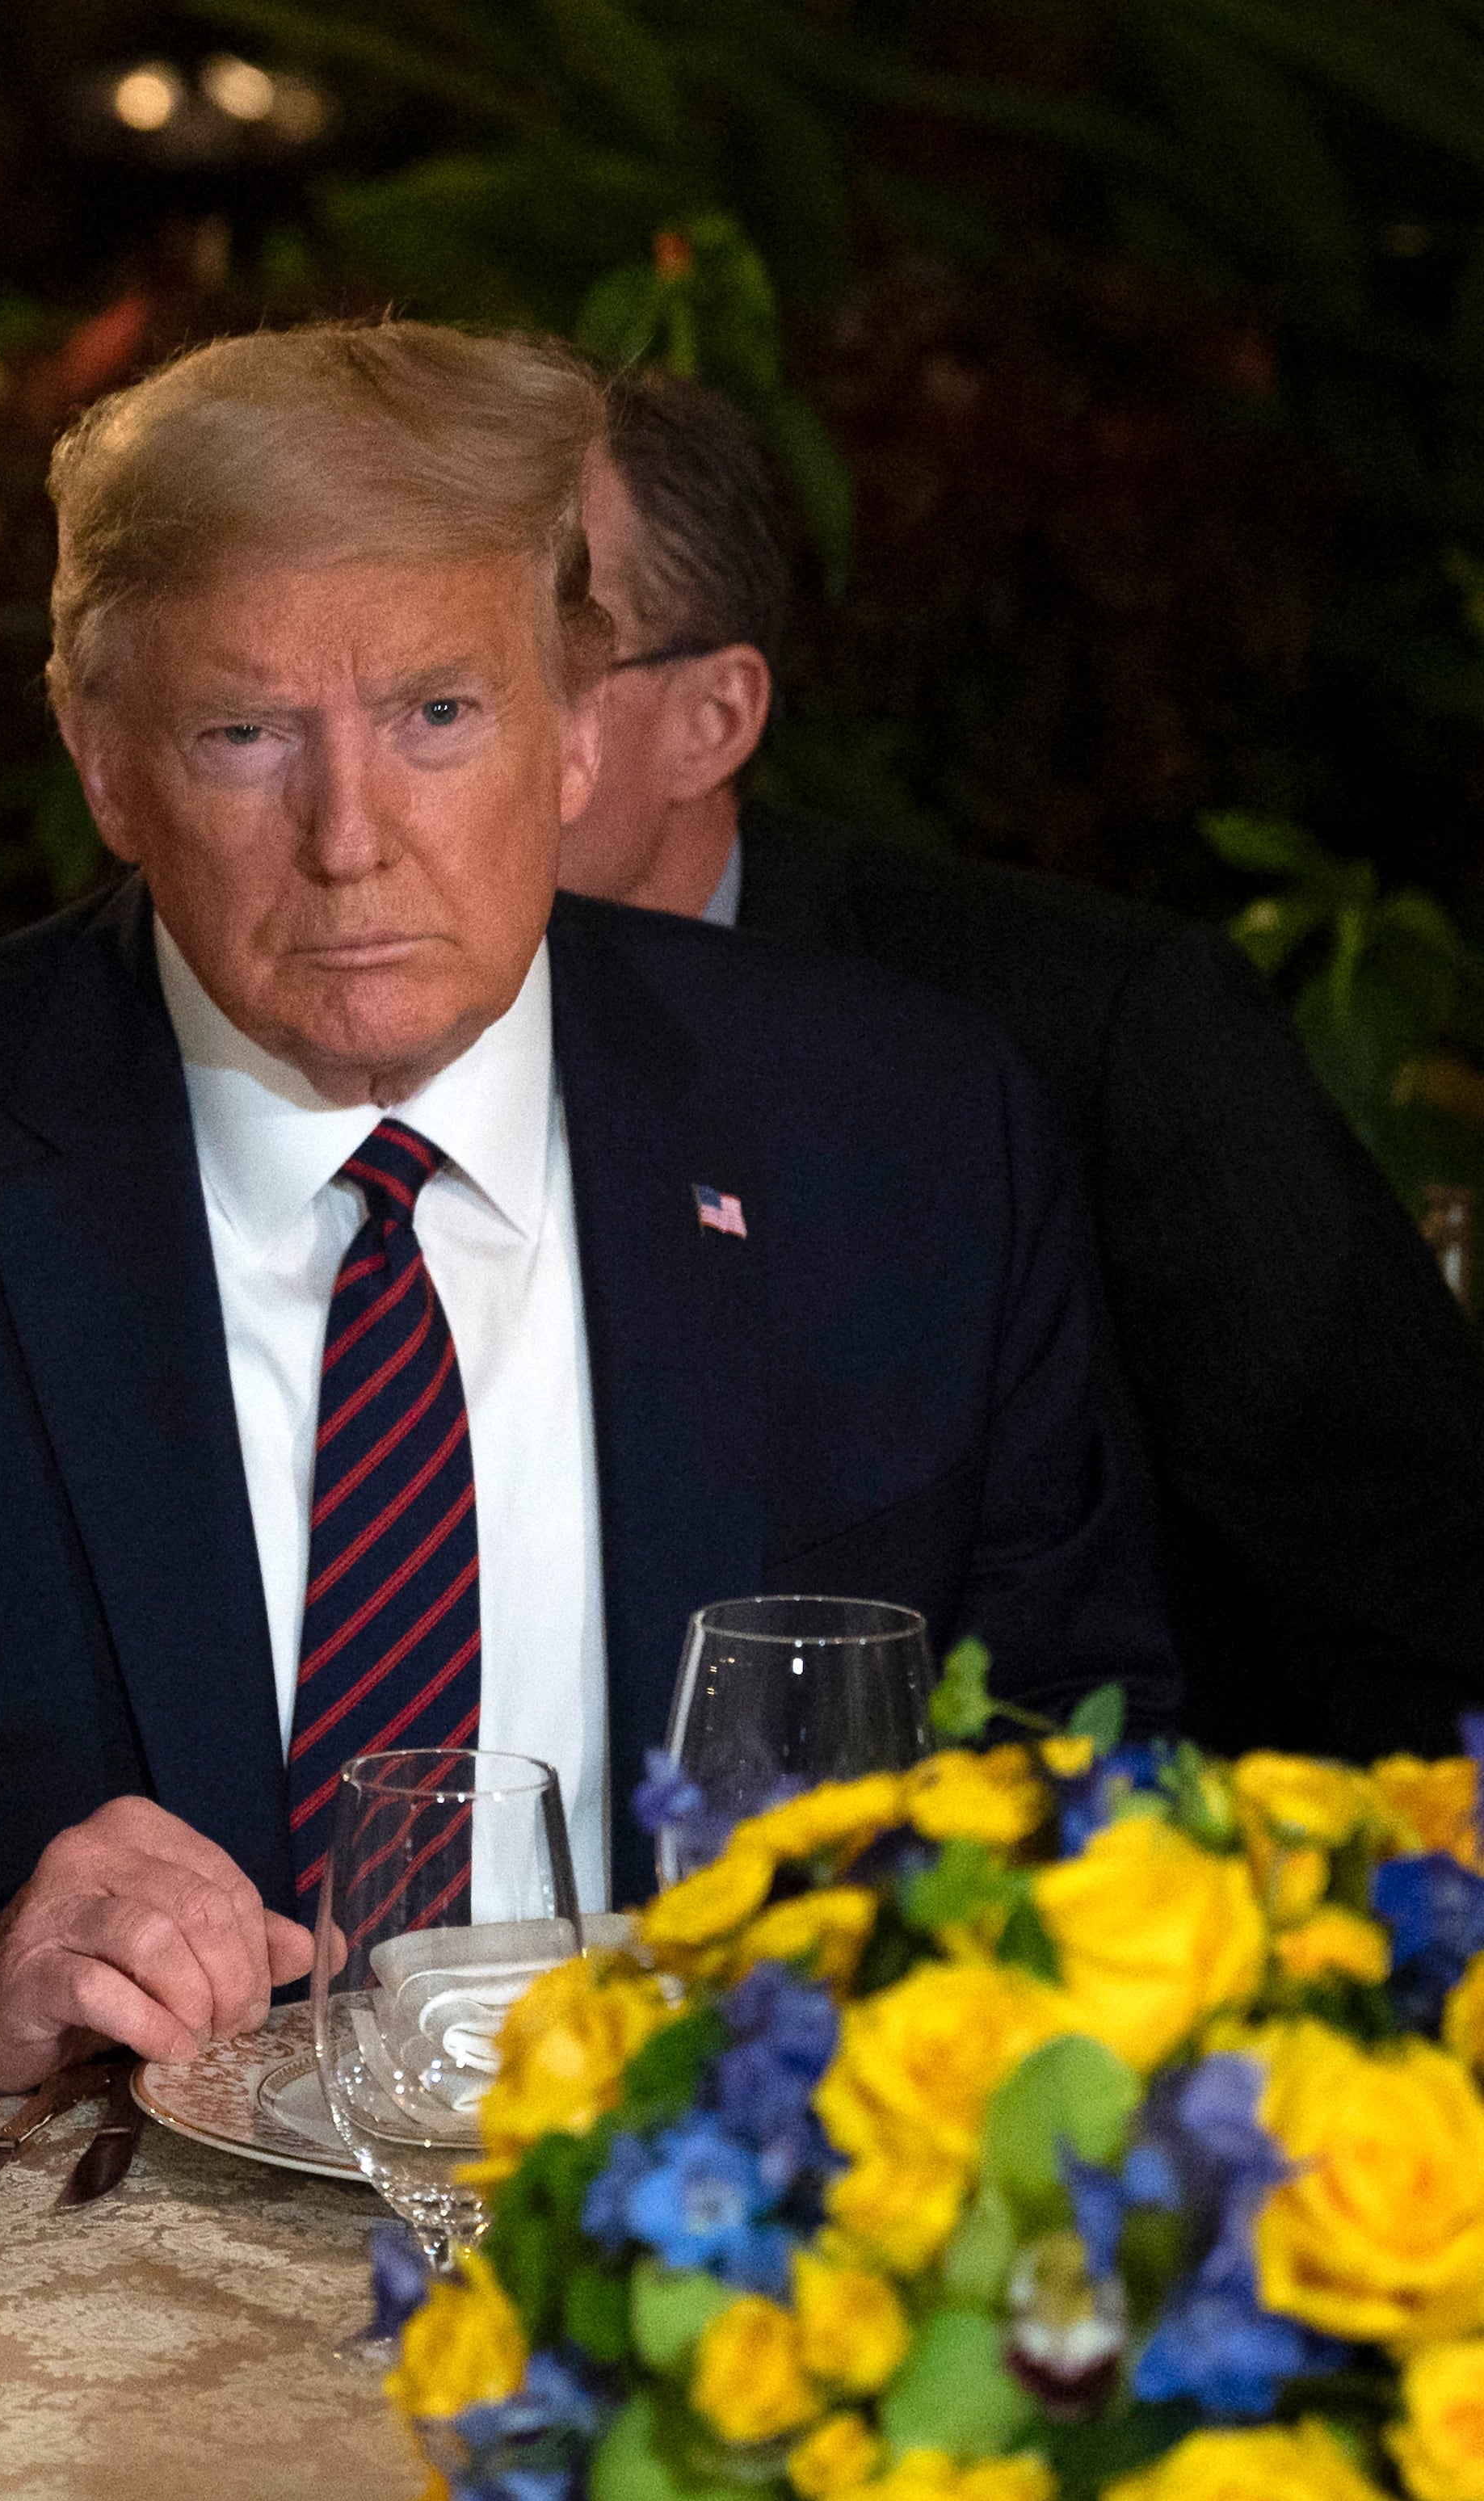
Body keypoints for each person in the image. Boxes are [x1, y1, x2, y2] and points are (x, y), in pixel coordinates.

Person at [0, 323, 1175, 2095]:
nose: (349, 836)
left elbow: (1083, 1761)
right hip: (61, 2321)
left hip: (727, 2281)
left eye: (436, 713)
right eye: (243, 732)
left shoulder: (899, 1139)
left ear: (581, 732)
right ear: (102, 759)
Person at [561, 367, 1484, 1759]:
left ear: (714, 720)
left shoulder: (1091, 1027)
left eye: (536, 661)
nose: (444, 738)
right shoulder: (344, 1050)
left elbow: (1422, 1600)